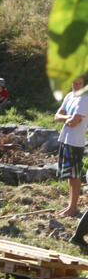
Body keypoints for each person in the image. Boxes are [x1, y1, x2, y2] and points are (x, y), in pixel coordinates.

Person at [55, 76, 88, 218]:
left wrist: (67, 118)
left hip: (76, 141)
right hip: (65, 139)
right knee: (69, 175)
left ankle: (73, 208)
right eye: (74, 83)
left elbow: (75, 122)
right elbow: (56, 116)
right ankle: (70, 206)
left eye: (79, 83)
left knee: (75, 175)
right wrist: (67, 118)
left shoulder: (84, 98)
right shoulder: (69, 96)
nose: (77, 86)